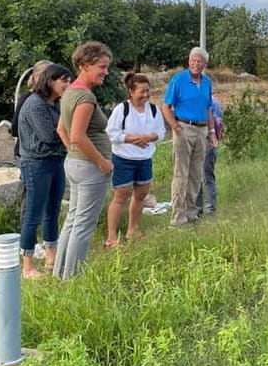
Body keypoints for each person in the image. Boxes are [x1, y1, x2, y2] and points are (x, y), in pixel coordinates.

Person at [53, 41, 114, 279]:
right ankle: (73, 279)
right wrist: (102, 162)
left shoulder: (69, 92)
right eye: (102, 66)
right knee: (83, 226)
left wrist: (74, 153)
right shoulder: (85, 98)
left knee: (72, 220)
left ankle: (61, 274)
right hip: (89, 169)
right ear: (85, 65)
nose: (106, 72)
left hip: (76, 164)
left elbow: (62, 128)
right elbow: (77, 135)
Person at [17, 63, 73, 279]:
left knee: (52, 209)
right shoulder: (35, 104)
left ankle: (51, 255)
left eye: (69, 81)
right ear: (50, 81)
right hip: (37, 163)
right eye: (64, 81)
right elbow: (49, 136)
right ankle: (27, 265)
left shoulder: (55, 104)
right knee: (33, 213)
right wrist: (70, 139)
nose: (67, 85)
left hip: (55, 161)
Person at [104, 72, 166, 247]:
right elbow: (111, 132)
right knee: (121, 195)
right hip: (123, 159)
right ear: (131, 91)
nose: (145, 95)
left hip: (144, 159)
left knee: (141, 194)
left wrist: (149, 137)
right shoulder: (121, 109)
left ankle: (133, 230)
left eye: (148, 91)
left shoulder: (153, 110)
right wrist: (131, 139)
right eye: (142, 91)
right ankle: (111, 237)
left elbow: (161, 133)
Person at [162, 47, 217, 227]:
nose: (196, 64)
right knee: (181, 174)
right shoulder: (179, 79)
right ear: (188, 62)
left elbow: (208, 108)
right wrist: (175, 126)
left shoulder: (207, 82)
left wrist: (212, 132)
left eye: (199, 61)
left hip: (201, 130)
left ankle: (191, 213)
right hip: (184, 127)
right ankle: (178, 218)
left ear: (204, 64)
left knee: (195, 174)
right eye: (193, 60)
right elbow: (166, 106)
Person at [11, 60, 52, 160]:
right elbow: (15, 129)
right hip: (31, 154)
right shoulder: (29, 100)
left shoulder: (51, 99)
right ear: (38, 77)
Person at [196, 96, 224, 215]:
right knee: (200, 176)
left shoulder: (211, 102)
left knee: (204, 176)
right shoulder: (214, 102)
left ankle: (206, 209)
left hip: (207, 140)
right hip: (206, 141)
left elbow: (217, 124)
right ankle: (201, 209)